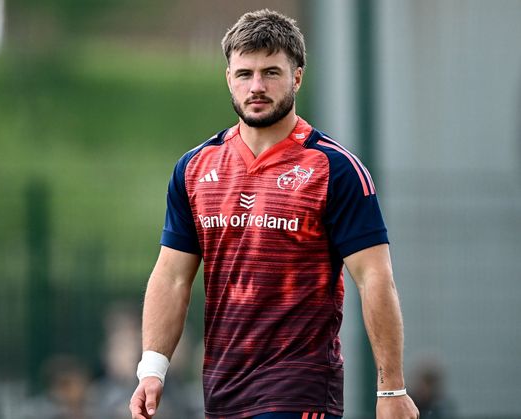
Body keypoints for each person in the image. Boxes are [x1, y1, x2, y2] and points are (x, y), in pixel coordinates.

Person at [129, 9, 419, 419]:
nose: (257, 86)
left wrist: (391, 390)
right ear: (228, 77)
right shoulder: (194, 169)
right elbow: (173, 276)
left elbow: (375, 278)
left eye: (271, 72)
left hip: (298, 387)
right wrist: (152, 369)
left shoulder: (334, 169)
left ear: (297, 77)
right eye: (244, 73)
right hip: (222, 389)